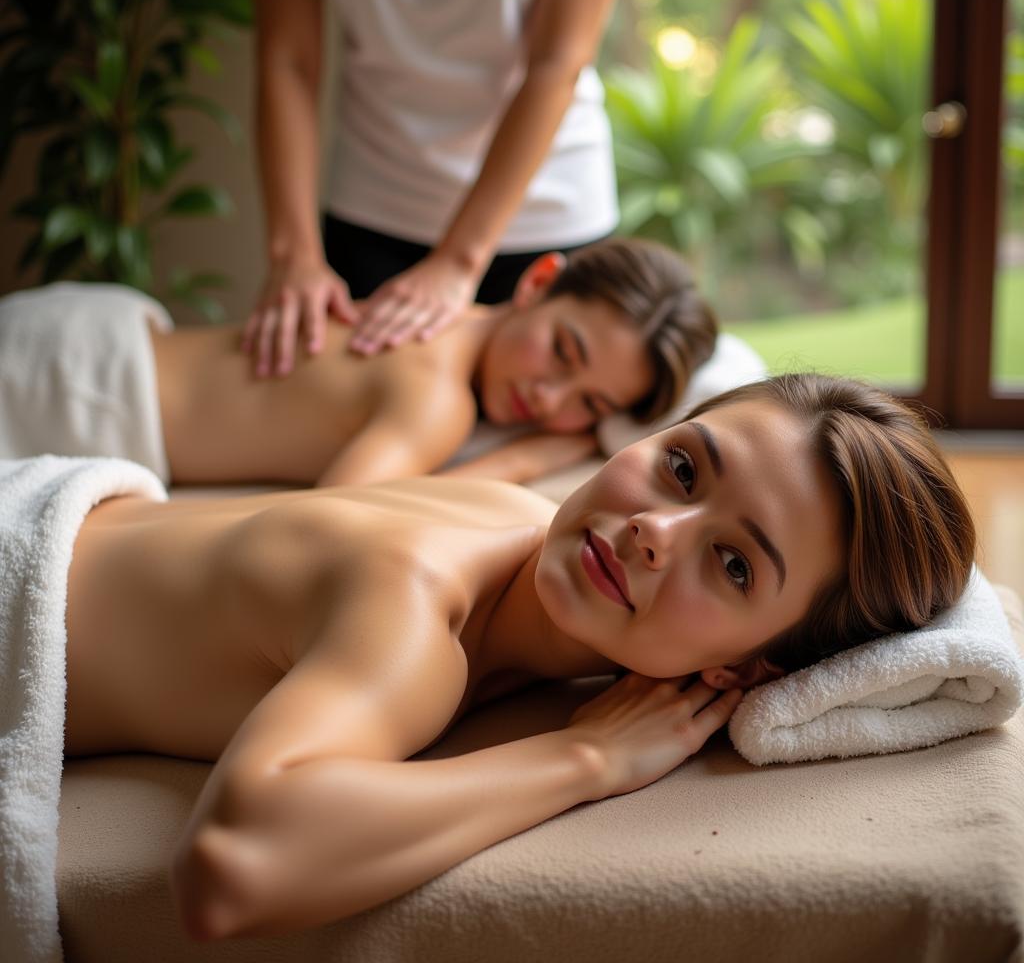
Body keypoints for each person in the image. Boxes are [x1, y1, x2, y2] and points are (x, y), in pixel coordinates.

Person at [56, 373, 975, 938]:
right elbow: (228, 867)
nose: (656, 528)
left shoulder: (517, 525)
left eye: (732, 563)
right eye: (685, 467)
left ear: (752, 668)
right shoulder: (417, 610)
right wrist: (584, 758)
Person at [0, 239, 716, 487]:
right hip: (78, 397)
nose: (549, 398)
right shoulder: (439, 398)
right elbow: (346, 516)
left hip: (88, 326)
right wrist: (523, 461)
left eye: (590, 406)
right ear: (535, 282)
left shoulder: (421, 308)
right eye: (564, 351)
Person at [245, 0, 632, 374]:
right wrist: (293, 256)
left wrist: (459, 261)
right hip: (374, 202)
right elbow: (287, 58)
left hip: (543, 213)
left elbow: (559, 62)